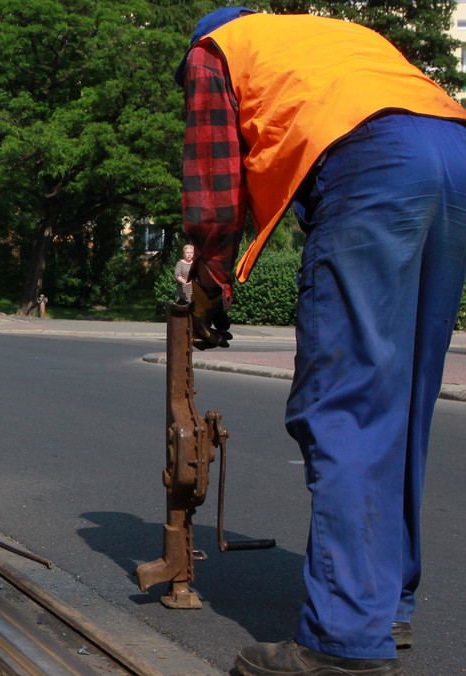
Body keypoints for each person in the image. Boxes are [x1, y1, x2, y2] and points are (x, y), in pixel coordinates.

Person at [177, 9, 466, 675]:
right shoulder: (320, 35)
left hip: (374, 165)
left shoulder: (213, 51)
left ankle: (342, 642)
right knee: (404, 401)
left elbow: (215, 193)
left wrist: (210, 284)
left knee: (347, 407)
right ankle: (385, 608)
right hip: (451, 155)